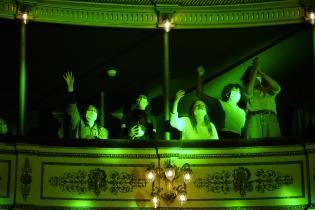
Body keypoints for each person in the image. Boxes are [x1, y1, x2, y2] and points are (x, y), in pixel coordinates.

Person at [196, 66, 246, 139]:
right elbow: (199, 94)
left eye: (239, 92)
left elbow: (242, 128)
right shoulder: (218, 103)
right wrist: (200, 75)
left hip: (237, 139)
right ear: (227, 94)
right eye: (235, 91)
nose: (237, 94)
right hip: (222, 137)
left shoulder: (242, 112)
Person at [241, 57, 281, 139]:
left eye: (257, 74)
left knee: (273, 145)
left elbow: (276, 87)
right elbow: (248, 93)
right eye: (253, 74)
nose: (256, 76)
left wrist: (261, 72)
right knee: (253, 146)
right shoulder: (245, 89)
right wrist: (255, 69)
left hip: (270, 118)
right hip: (253, 119)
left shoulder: (267, 90)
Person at [63, 71, 108, 140]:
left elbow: (104, 141)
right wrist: (70, 90)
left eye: (94, 111)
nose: (92, 112)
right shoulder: (78, 124)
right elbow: (73, 107)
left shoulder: (101, 130)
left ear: (97, 116)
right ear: (85, 113)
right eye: (90, 110)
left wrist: (94, 138)